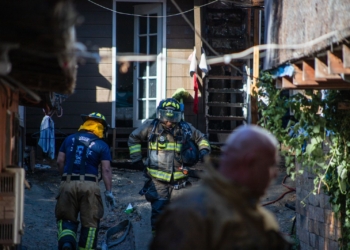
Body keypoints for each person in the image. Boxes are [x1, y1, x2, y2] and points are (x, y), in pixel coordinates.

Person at [150, 125, 292, 250]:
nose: (276, 174)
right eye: (271, 165)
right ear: (249, 162)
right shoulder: (190, 214)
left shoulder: (258, 215)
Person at [128, 98, 211, 234]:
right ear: (160, 115)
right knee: (159, 215)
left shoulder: (185, 128)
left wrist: (204, 150)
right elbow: (133, 138)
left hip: (179, 181)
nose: (169, 122)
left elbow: (201, 138)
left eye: (173, 118)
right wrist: (136, 158)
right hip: (157, 181)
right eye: (166, 118)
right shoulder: (151, 127)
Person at [55, 112, 116, 250]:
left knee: (66, 218)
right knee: (90, 223)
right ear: (101, 128)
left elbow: (60, 161)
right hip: (90, 186)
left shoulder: (69, 139)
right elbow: (106, 170)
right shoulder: (102, 145)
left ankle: (67, 243)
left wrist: (65, 178)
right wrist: (109, 192)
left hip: (68, 183)